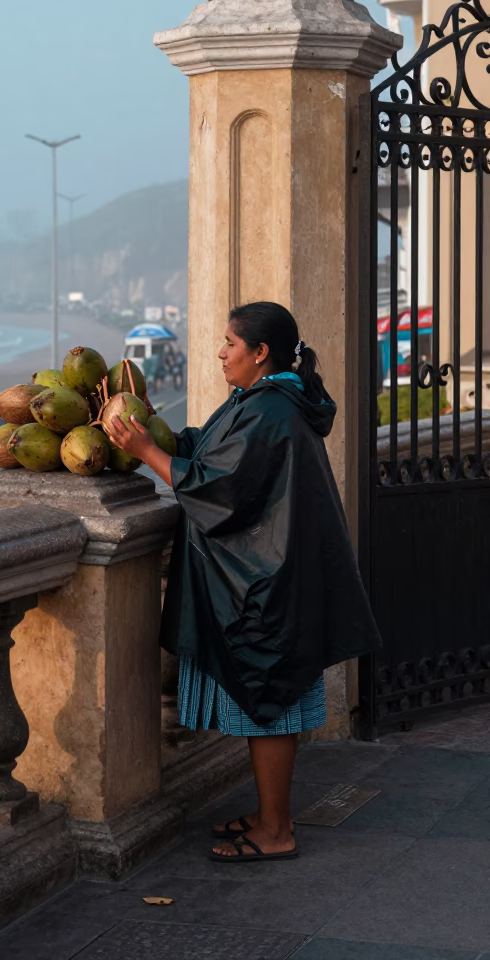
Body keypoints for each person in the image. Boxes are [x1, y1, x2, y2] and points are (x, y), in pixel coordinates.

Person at [105, 300, 380, 866]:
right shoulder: (265, 400)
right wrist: (157, 432)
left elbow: (220, 489)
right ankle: (266, 815)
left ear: (261, 353)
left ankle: (277, 829)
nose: (220, 352)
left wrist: (146, 452)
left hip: (269, 581)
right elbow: (211, 450)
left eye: (231, 343)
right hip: (280, 573)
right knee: (268, 698)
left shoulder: (271, 411)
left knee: (269, 700)